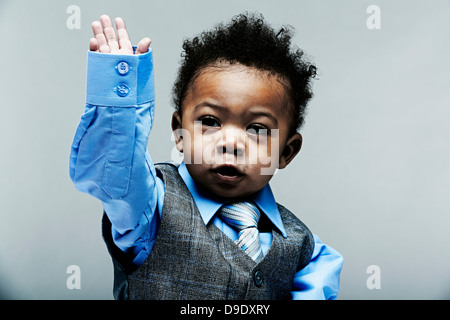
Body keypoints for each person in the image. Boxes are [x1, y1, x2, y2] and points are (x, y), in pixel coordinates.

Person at [69, 13, 343, 300]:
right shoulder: (150, 209)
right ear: (179, 133)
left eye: (257, 128)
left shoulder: (305, 250)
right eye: (210, 121)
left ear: (286, 152)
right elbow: (114, 172)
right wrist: (118, 97)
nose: (231, 143)